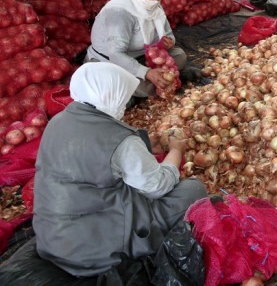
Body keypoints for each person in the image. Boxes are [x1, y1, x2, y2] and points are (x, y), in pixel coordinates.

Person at [33, 62, 208, 277]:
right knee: (193, 189)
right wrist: (176, 150)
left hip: (53, 238)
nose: (125, 105)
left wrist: (143, 142)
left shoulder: (58, 122)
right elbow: (157, 186)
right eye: (123, 98)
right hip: (95, 253)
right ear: (110, 97)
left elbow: (95, 145)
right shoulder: (123, 143)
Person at [86, 0, 197, 98]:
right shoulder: (119, 12)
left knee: (179, 56)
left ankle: (163, 79)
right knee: (146, 89)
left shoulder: (155, 7)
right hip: (110, 61)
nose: (156, 1)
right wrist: (147, 72)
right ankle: (163, 79)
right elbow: (115, 54)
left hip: (143, 56)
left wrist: (169, 42)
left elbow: (168, 33)